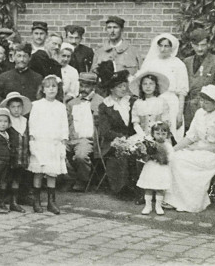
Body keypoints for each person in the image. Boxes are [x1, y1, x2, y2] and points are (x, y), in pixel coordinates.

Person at [165, 85, 215, 212]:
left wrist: (196, 148)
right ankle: (176, 200)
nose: (203, 104)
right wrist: (172, 149)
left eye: (207, 102)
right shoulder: (199, 113)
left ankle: (191, 202)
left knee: (183, 161)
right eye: (201, 101)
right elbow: (191, 137)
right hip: (199, 149)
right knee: (174, 157)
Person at [28, 75, 68, 215]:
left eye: (54, 86)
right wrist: (32, 141)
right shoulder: (37, 105)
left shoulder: (61, 107)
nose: (51, 89)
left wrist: (63, 142)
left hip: (54, 143)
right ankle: (36, 201)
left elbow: (64, 127)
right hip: (40, 142)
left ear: (58, 89)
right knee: (38, 172)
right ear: (43, 89)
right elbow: (32, 125)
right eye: (48, 86)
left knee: (52, 172)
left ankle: (51, 202)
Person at [96, 67, 136, 198]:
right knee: (120, 153)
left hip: (133, 138)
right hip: (112, 141)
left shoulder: (131, 101)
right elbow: (105, 131)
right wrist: (123, 138)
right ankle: (121, 189)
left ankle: (139, 189)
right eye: (120, 86)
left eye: (125, 86)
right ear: (112, 89)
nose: (124, 89)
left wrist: (133, 138)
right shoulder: (105, 106)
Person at [141, 33, 189, 142]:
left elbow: (182, 91)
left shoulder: (178, 64)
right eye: (161, 45)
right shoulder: (151, 63)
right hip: (153, 101)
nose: (163, 49)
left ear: (172, 47)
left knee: (171, 132)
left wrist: (180, 114)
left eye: (166, 46)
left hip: (172, 102)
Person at [182, 28, 215, 129]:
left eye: (203, 45)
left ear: (208, 44)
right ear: (191, 44)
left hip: (208, 107)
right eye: (196, 45)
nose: (200, 49)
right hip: (189, 108)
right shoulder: (187, 61)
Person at [65, 73, 103, 192]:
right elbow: (66, 122)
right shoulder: (72, 103)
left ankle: (83, 180)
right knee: (56, 151)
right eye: (81, 85)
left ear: (93, 87)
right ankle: (71, 177)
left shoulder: (101, 102)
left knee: (81, 156)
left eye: (87, 86)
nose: (83, 89)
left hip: (88, 139)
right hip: (71, 138)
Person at [0, 92, 31, 212]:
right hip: (9, 157)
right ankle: (1, 201)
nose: (16, 109)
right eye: (13, 107)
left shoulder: (25, 121)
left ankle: (14, 201)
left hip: (21, 156)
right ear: (8, 108)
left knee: (16, 179)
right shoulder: (7, 122)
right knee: (4, 179)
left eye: (19, 106)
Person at [0, 43, 43, 110]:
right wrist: (8, 105)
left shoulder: (37, 78)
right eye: (19, 56)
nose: (22, 59)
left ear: (30, 58)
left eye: (25, 56)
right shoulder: (4, 77)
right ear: (13, 57)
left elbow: (40, 99)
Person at [136, 122, 173, 215]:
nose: (160, 136)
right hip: (151, 168)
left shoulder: (168, 145)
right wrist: (146, 155)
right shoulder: (150, 144)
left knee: (160, 188)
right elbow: (144, 157)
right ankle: (148, 206)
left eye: (163, 134)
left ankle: (158, 206)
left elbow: (171, 157)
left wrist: (162, 158)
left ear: (167, 135)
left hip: (161, 169)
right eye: (158, 134)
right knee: (148, 187)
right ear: (153, 134)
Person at [129, 71, 171, 139]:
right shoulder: (138, 103)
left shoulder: (161, 101)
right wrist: (143, 136)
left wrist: (157, 135)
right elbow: (135, 123)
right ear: (141, 86)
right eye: (145, 84)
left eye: (151, 84)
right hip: (142, 135)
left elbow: (165, 121)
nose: (148, 86)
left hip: (159, 136)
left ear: (156, 86)